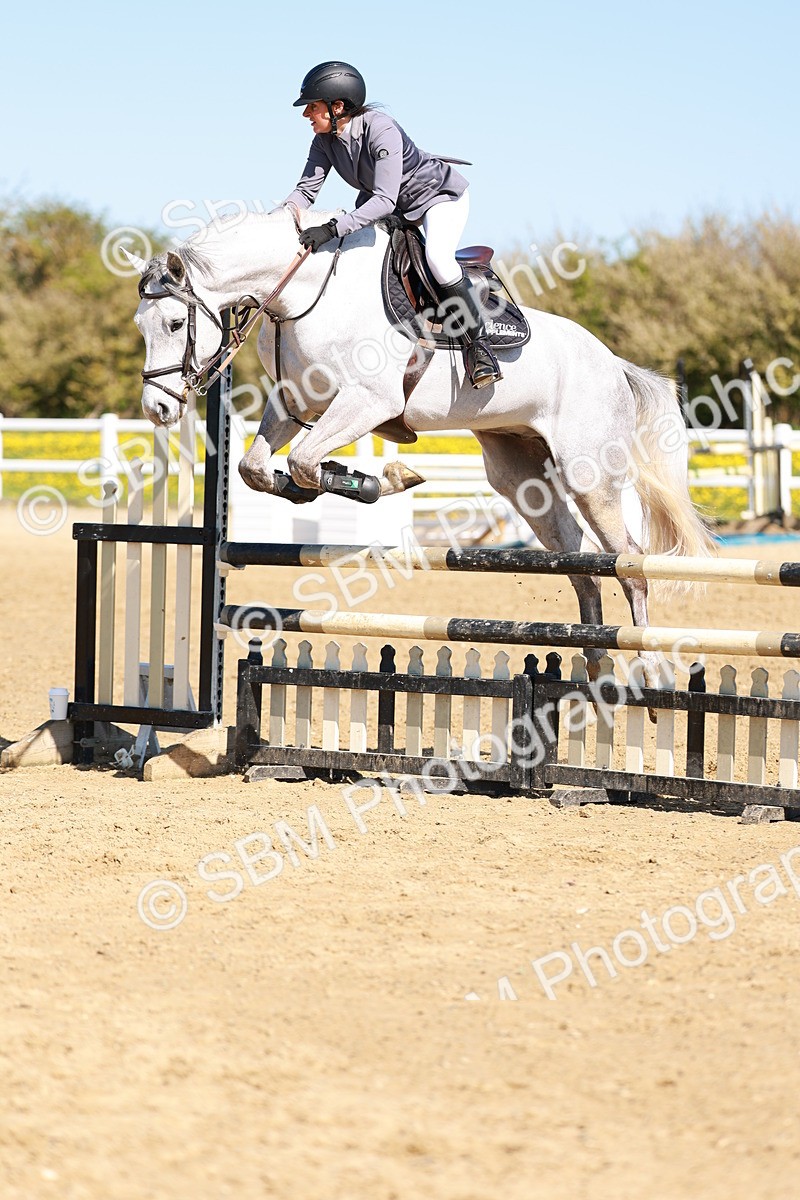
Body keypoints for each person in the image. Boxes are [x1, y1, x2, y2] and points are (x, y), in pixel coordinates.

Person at [282, 61, 502, 389]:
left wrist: (331, 228)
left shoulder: (380, 128)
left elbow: (384, 199)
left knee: (439, 262)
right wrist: (276, 223)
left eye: (312, 107)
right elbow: (304, 192)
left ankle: (479, 347)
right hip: (395, 207)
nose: (306, 115)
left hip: (437, 197)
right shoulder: (324, 141)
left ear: (337, 106)